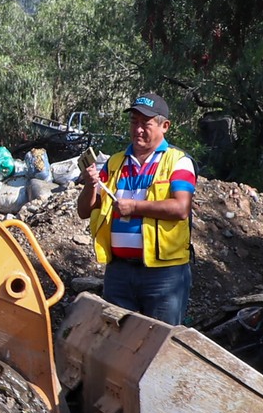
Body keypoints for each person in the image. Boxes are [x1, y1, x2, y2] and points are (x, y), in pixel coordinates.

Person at [76, 93, 196, 325]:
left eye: (146, 123)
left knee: (161, 341)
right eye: (134, 122)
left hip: (164, 274)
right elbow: (85, 210)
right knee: (117, 340)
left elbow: (181, 208)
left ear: (165, 126)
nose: (138, 129)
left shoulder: (178, 162)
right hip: (119, 272)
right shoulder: (115, 163)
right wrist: (91, 185)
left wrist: (135, 207)